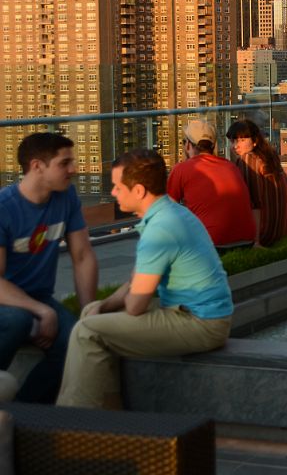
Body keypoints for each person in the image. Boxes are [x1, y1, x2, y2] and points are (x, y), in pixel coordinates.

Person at [57, 149, 232, 409]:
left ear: (138, 191)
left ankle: (72, 423)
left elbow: (136, 305)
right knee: (92, 314)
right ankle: (110, 413)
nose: (114, 193)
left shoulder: (161, 229)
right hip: (195, 313)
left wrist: (101, 315)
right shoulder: (169, 213)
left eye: (117, 187)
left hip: (200, 322)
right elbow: (134, 282)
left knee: (87, 332)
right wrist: (101, 308)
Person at [0, 133, 97, 403]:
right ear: (37, 166)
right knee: (16, 321)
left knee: (75, 342)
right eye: (64, 163)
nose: (74, 169)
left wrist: (88, 313)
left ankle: (25, 414)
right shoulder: (4, 208)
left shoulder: (65, 198)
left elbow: (82, 256)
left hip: (37, 297)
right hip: (7, 301)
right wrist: (40, 311)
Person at [166, 120, 255, 248]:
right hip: (247, 240)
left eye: (184, 142)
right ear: (212, 146)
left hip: (212, 244)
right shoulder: (230, 166)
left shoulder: (181, 169)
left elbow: (167, 210)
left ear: (188, 146)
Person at [225, 120, 287, 247]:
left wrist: (255, 242)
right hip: (281, 232)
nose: (235, 146)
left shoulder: (248, 159)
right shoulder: (269, 158)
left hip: (264, 234)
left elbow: (255, 203)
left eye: (242, 140)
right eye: (233, 141)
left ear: (255, 141)